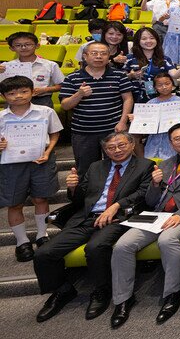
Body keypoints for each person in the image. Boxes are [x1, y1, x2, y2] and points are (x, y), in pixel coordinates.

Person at [32, 132, 153, 322]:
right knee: (43, 253)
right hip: (86, 219)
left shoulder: (145, 165)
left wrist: (116, 206)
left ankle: (101, 291)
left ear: (131, 145)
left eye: (121, 145)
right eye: (111, 147)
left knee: (95, 248)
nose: (117, 150)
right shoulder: (96, 166)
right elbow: (79, 199)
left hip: (118, 218)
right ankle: (62, 290)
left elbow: (143, 193)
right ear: (105, 150)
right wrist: (73, 187)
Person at [108, 123, 180, 328]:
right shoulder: (164, 165)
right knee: (123, 245)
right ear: (171, 143)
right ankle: (122, 299)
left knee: (168, 240)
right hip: (157, 215)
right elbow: (150, 200)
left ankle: (172, 293)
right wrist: (155, 184)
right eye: (177, 138)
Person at [0, 75, 62, 262]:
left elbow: (54, 133)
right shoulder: (1, 117)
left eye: (23, 91)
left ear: (33, 92)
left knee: (40, 198)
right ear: (3, 96)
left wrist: (48, 151)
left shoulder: (45, 111)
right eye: (12, 93)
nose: (18, 96)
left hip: (40, 161)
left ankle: (42, 235)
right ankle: (22, 242)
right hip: (11, 164)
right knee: (15, 203)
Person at [60, 42, 134, 177]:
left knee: (118, 167)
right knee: (86, 170)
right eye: (94, 53)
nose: (99, 57)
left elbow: (128, 99)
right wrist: (79, 94)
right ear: (85, 56)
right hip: (83, 132)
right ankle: (88, 197)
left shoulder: (119, 75)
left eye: (103, 53)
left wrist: (123, 122)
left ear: (109, 56)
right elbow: (65, 105)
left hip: (113, 130)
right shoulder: (72, 77)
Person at [0, 32, 64, 108]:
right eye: (18, 45)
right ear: (12, 48)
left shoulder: (50, 65)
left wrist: (45, 90)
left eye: (28, 44)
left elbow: (61, 85)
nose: (23, 47)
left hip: (41, 101)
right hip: (13, 102)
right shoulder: (5, 67)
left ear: (37, 45)